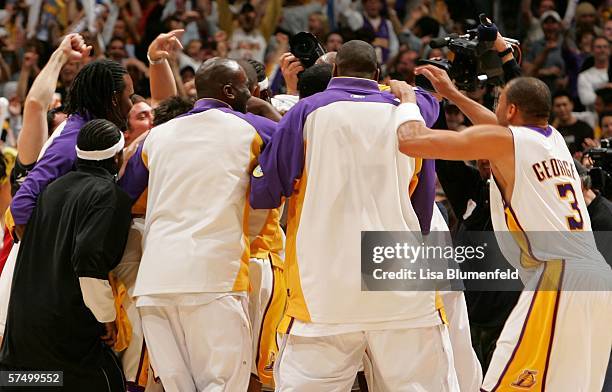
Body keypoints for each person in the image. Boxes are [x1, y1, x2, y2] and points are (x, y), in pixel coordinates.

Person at [251, 40, 458, 391]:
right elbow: (423, 211)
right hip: (400, 281)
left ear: (334, 71)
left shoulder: (306, 112)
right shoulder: (408, 113)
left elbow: (264, 193)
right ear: (377, 74)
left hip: (324, 291)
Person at [396, 68, 612, 390]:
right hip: (596, 277)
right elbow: (494, 128)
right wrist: (454, 94)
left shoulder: (508, 141)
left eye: (500, 102)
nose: (496, 108)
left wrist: (409, 103)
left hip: (559, 277)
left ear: (511, 110)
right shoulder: (553, 139)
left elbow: (412, 142)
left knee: (501, 384)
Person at [121, 57, 276, 392]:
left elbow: (123, 198)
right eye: (246, 90)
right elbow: (294, 144)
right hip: (214, 277)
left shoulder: (155, 137)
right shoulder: (252, 127)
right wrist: (268, 112)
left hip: (155, 282)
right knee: (222, 385)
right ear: (231, 91)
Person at [0, 119, 132, 391]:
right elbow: (87, 260)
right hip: (65, 343)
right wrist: (106, 317)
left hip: (20, 337)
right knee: (110, 382)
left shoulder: (51, 190)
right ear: (117, 156)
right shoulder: (109, 195)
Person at [551, 90, 594, 155]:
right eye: (558, 106)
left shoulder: (585, 128)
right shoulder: (550, 130)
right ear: (552, 108)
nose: (562, 109)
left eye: (564, 104)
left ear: (571, 105)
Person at [578, 36, 611, 111]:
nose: (602, 50)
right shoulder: (584, 76)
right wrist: (606, 89)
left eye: (605, 47)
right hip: (594, 117)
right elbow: (586, 99)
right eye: (598, 47)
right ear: (592, 50)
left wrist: (597, 91)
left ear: (609, 50)